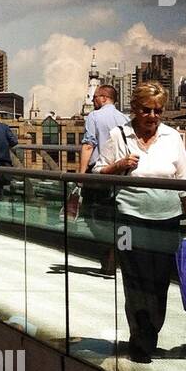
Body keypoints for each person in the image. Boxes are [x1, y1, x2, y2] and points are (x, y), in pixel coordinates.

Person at [102, 81, 186, 365]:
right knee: (134, 279)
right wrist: (118, 166)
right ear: (135, 108)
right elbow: (97, 173)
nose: (152, 116)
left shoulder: (172, 137)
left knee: (158, 283)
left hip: (166, 221)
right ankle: (140, 340)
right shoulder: (118, 135)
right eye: (147, 110)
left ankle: (150, 331)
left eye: (158, 111)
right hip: (128, 220)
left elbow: (183, 180)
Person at [78, 83, 128, 277]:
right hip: (119, 175)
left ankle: (108, 257)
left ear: (104, 98)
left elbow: (89, 145)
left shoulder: (94, 117)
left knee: (92, 216)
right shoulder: (125, 118)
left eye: (96, 97)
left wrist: (81, 175)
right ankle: (117, 257)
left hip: (98, 174)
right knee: (115, 216)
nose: (93, 100)